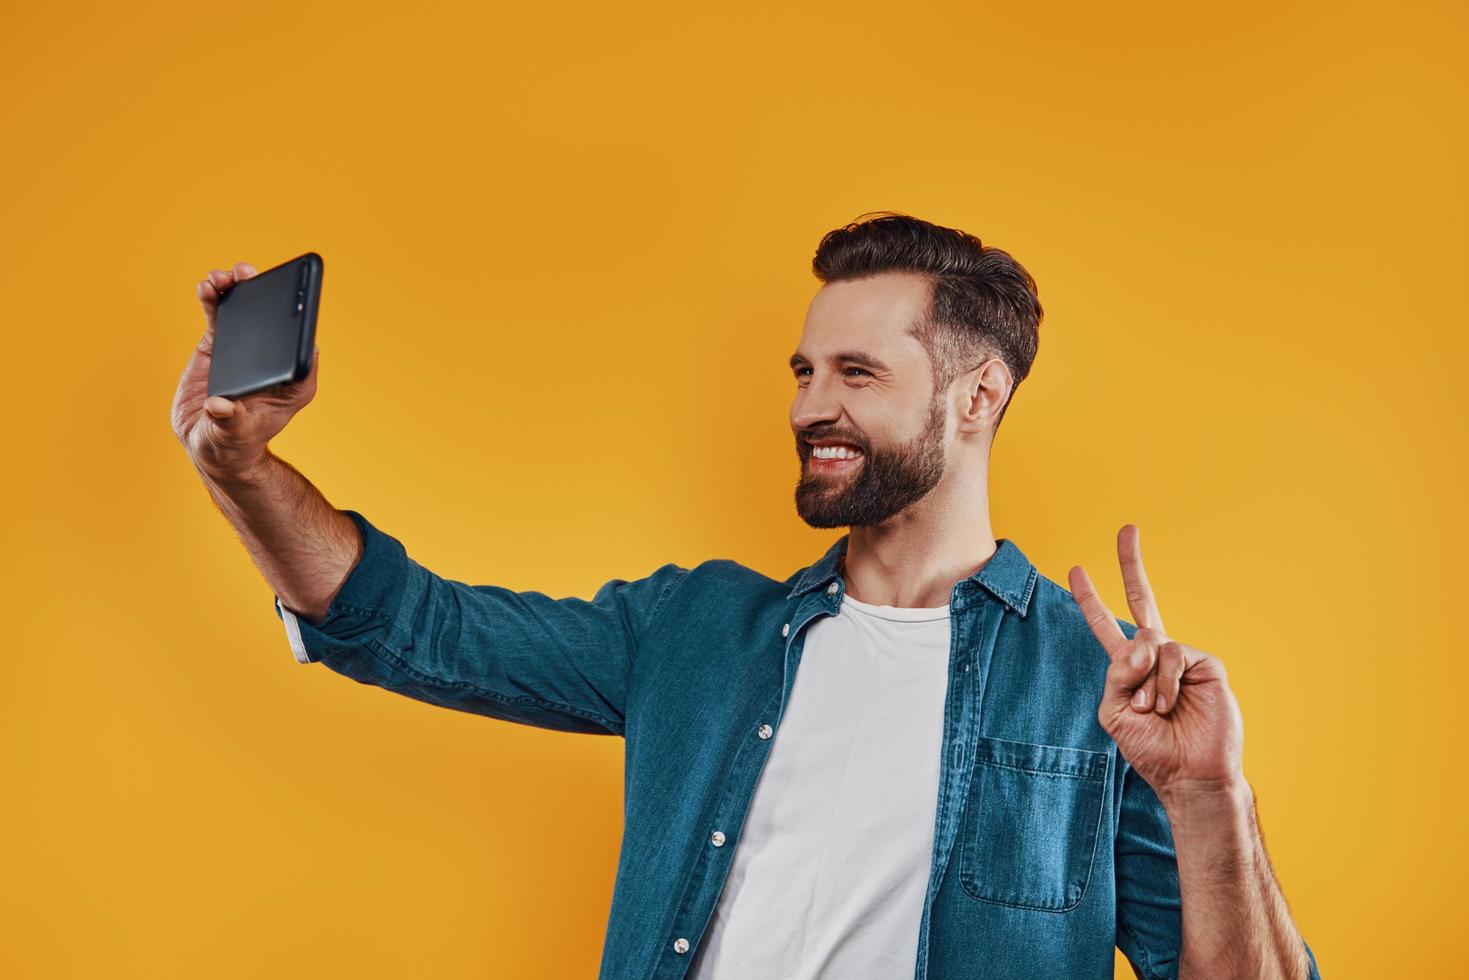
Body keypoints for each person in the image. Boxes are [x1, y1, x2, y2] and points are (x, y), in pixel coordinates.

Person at [172, 212, 1322, 979]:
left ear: (977, 397)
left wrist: (1208, 797)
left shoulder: (1098, 688)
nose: (808, 405)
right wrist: (241, 468)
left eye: (856, 373)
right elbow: (408, 623)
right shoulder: (694, 629)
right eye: (803, 369)